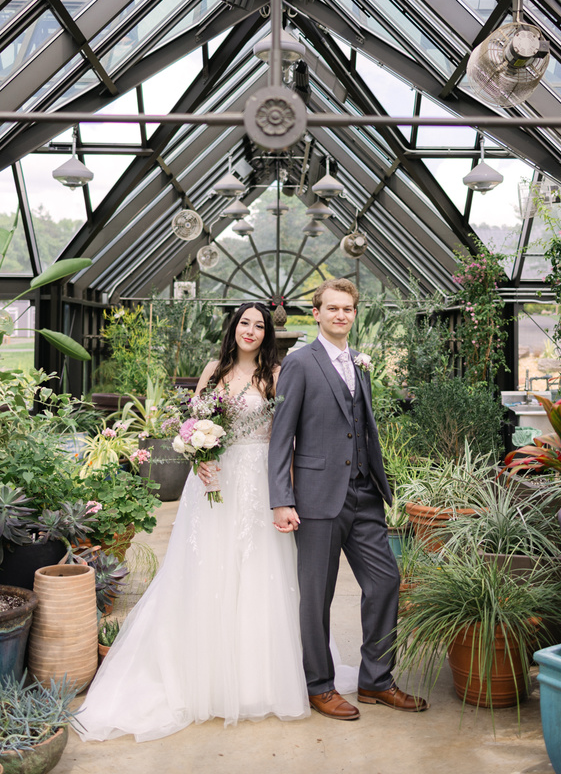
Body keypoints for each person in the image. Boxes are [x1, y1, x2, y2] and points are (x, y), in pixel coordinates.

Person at [78, 302, 309, 742]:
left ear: (268, 334)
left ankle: (256, 679)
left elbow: (288, 435)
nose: (251, 331)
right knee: (206, 571)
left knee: (259, 571)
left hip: (260, 482)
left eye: (260, 326)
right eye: (245, 322)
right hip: (213, 483)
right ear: (234, 327)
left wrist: (289, 491)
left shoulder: (275, 376)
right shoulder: (213, 370)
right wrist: (198, 456)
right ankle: (201, 673)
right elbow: (190, 426)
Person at [268, 278, 429, 721]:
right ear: (315, 313)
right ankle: (319, 685)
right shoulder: (300, 363)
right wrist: (282, 499)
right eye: (332, 308)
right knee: (316, 597)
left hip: (364, 494)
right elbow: (281, 438)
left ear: (354, 314)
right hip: (317, 499)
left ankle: (375, 680)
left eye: (348, 309)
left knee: (385, 582)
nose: (341, 315)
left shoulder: (358, 364)